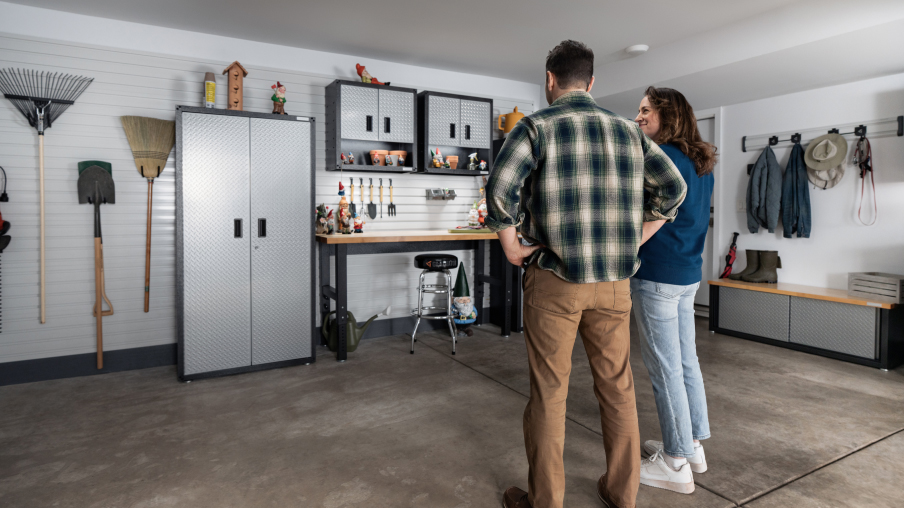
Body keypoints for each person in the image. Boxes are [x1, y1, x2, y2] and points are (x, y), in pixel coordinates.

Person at [486, 41, 688, 508]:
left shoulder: (536, 127)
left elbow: (500, 187)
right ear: (592, 82)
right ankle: (623, 494)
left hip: (555, 281)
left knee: (550, 394)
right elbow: (673, 189)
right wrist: (635, 236)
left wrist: (512, 245)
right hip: (614, 284)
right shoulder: (628, 132)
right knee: (618, 388)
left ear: (550, 79)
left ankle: (547, 502)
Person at [631, 87, 717, 495]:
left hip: (659, 276)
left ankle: (676, 462)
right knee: (685, 363)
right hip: (688, 275)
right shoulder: (701, 164)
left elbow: (645, 217)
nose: (638, 116)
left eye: (646, 110)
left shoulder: (660, 161)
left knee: (666, 369)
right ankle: (692, 444)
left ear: (668, 114)